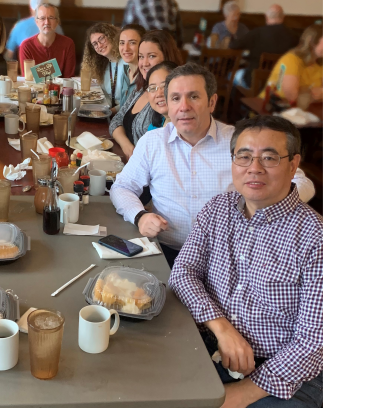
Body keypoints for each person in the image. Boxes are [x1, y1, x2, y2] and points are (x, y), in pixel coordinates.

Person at [169, 115, 323, 408]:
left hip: (286, 373)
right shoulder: (217, 209)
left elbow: (313, 342)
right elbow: (183, 273)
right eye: (244, 156)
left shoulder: (315, 237)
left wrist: (245, 392)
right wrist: (221, 328)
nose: (254, 168)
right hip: (211, 345)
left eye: (269, 158)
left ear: (293, 165)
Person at [109, 63, 315, 268]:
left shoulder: (238, 142)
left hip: (227, 258)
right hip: (166, 251)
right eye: (175, 98)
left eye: (194, 97)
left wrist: (261, 206)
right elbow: (122, 187)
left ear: (212, 102)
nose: (184, 107)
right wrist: (140, 216)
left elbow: (302, 182)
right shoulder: (153, 142)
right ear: (168, 105)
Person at [110, 30, 184, 160]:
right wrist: (126, 146)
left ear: (167, 57)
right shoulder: (140, 89)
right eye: (141, 56)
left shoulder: (169, 98)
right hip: (127, 160)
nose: (144, 63)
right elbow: (117, 119)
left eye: (151, 56)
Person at [230, 4, 298, 88]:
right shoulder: (293, 37)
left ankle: (237, 97)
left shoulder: (257, 33)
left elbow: (233, 45)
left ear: (266, 17)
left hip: (255, 82)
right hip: (280, 82)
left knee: (231, 76)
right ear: (283, 17)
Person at [259, 24, 323, 104]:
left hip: (304, 109)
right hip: (271, 107)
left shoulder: (319, 63)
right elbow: (292, 97)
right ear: (312, 42)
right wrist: (315, 95)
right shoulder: (291, 60)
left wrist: (311, 93)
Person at [18, 3, 76, 78]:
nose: (47, 22)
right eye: (42, 18)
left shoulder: (68, 44)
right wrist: (55, 69)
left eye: (51, 18)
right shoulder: (26, 46)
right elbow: (28, 78)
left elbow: (68, 79)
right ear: (36, 22)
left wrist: (36, 73)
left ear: (57, 21)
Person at [81, 23, 124, 112]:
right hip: (110, 110)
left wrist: (110, 112)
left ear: (111, 36)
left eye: (101, 39)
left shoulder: (127, 62)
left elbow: (132, 100)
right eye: (95, 44)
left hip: (123, 113)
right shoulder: (104, 66)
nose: (100, 45)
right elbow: (105, 96)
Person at [145, 61, 179, 131]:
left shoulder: (190, 129)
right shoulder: (153, 129)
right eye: (152, 88)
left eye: (165, 86)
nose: (159, 94)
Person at [118, 24, 146, 107]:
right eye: (122, 43)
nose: (126, 48)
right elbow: (124, 106)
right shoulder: (126, 71)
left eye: (132, 43)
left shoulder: (146, 76)